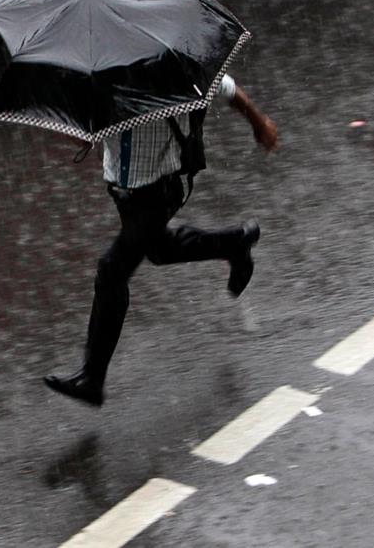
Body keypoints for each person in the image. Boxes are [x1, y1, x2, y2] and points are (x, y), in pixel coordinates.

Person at [44, 73, 278, 406]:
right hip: (124, 193)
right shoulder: (101, 79)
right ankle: (236, 242)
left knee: (111, 272)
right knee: (160, 250)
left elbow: (227, 89)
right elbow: (84, 139)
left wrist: (259, 123)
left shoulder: (173, 74)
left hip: (157, 192)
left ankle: (92, 379)